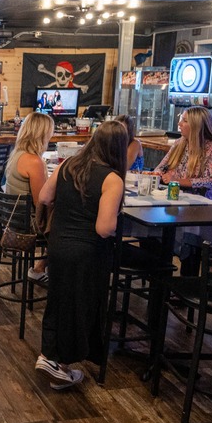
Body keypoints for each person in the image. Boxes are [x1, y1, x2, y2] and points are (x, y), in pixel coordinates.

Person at [34, 120, 127, 390]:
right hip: (86, 252)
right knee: (81, 307)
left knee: (58, 300)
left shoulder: (67, 166)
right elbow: (104, 227)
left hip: (58, 246)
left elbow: (44, 196)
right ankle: (62, 366)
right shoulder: (112, 179)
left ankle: (48, 354)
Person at [1, 112, 54, 281]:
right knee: (67, 229)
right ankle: (40, 270)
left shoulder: (17, 154)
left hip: (13, 218)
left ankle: (46, 268)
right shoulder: (34, 161)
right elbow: (41, 201)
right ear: (42, 134)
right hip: (26, 223)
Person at [153, 106, 212, 200]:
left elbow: (210, 180)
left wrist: (177, 181)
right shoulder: (179, 143)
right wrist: (161, 174)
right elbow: (160, 167)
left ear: (196, 126)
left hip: (200, 203)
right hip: (173, 195)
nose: (179, 124)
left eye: (185, 121)